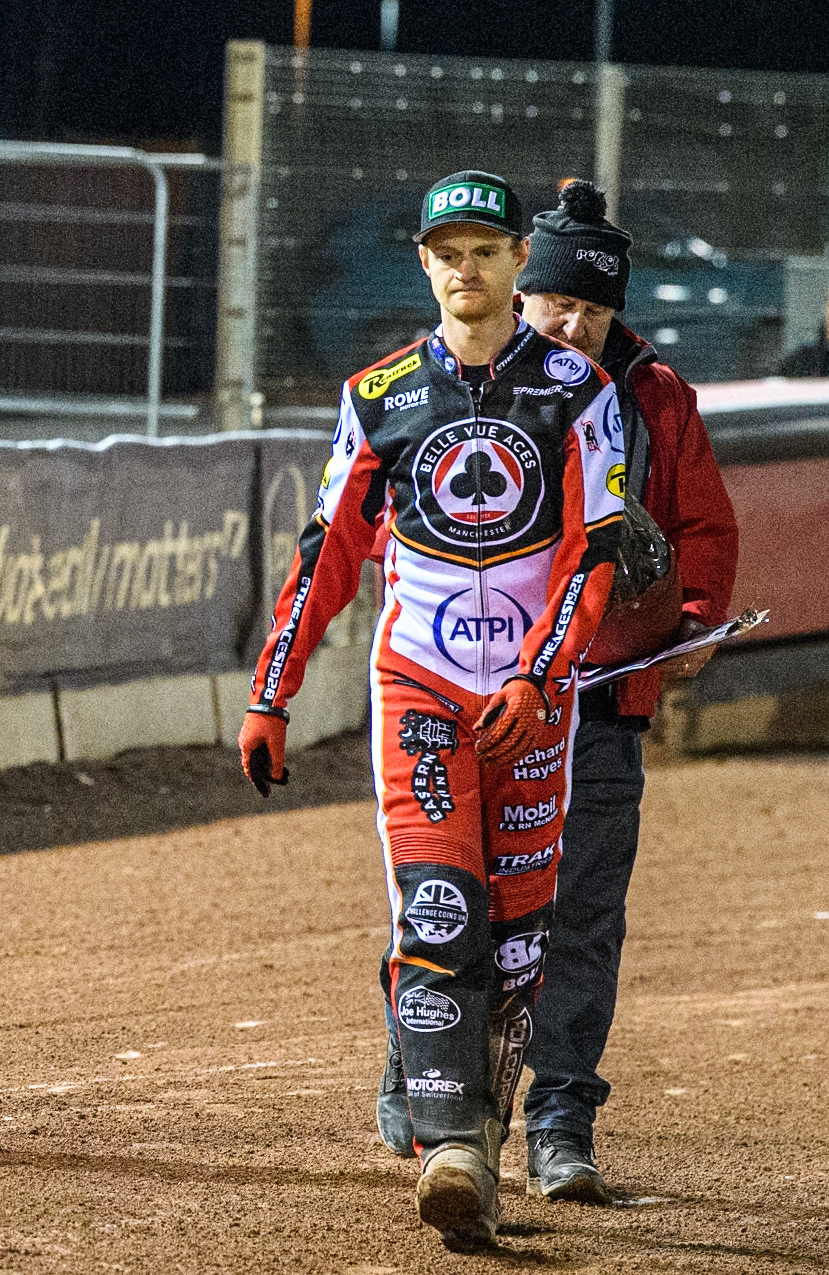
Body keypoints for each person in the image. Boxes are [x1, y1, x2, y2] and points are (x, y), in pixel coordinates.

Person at [237, 171, 625, 1250]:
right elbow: (328, 551)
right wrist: (273, 692)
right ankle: (447, 1143)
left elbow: (594, 557)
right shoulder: (375, 395)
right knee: (438, 909)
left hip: (532, 704)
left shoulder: (578, 392)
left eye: (485, 251)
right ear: (423, 263)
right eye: (445, 251)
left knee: (513, 945)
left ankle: (478, 1140)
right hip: (415, 685)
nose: (465, 268)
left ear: (515, 264)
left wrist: (540, 678)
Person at [507, 180, 737, 1201]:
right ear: (521, 291)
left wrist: (691, 625)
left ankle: (559, 1127)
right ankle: (435, 1099)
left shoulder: (654, 394)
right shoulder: (453, 386)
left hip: (601, 701)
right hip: (482, 705)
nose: (573, 325)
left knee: (582, 918)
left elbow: (703, 532)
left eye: (593, 311)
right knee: (457, 908)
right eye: (558, 305)